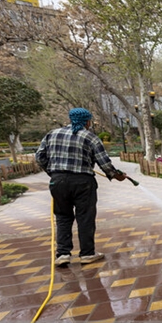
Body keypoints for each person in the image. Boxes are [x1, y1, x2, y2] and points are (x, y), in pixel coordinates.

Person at [35, 108, 129, 266]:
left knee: (63, 216)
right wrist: (116, 175)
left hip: (58, 182)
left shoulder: (52, 134)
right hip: (83, 182)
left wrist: (53, 172)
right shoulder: (90, 137)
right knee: (85, 217)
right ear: (87, 121)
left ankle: (63, 254)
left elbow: (39, 157)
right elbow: (104, 163)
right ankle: (87, 254)